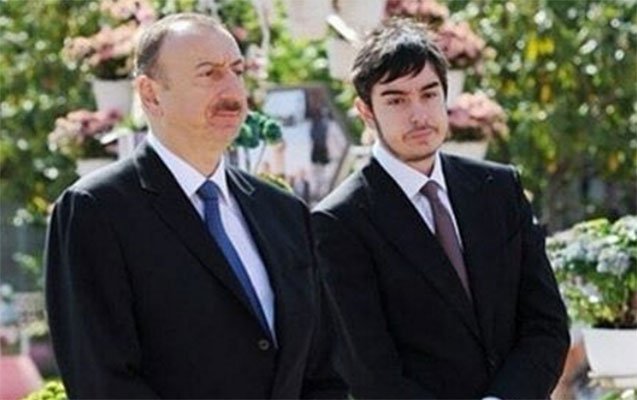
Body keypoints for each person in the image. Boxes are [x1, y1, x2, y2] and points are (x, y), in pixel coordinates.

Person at [45, 13, 345, 399]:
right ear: (151, 94)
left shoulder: (284, 213)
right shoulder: (96, 211)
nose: (232, 89)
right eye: (209, 73)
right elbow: (102, 380)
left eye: (237, 70)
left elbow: (323, 370)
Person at [311, 18, 570, 399]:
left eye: (429, 94)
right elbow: (371, 373)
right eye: (396, 100)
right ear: (365, 111)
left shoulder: (499, 189)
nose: (419, 114)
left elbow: (546, 325)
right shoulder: (340, 221)